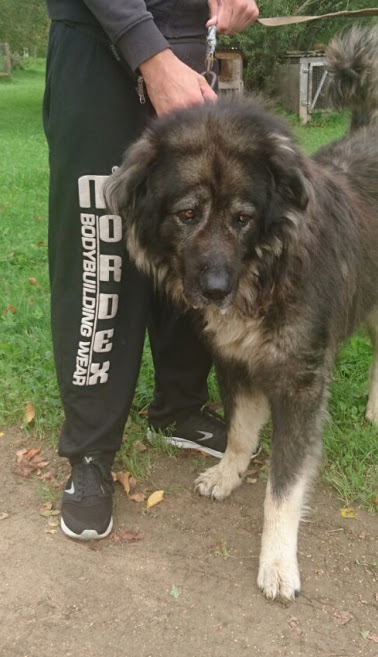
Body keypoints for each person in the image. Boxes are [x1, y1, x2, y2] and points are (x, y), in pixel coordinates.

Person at [43, 0, 259, 541]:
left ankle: (178, 407)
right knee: (100, 250)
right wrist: (151, 55)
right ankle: (90, 449)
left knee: (193, 233)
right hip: (99, 47)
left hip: (189, 50)